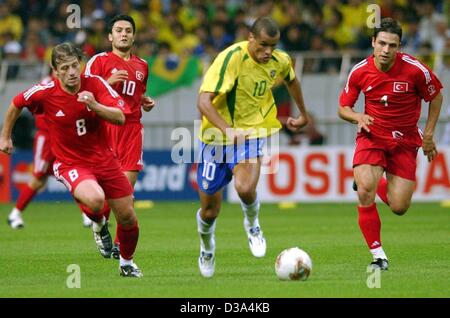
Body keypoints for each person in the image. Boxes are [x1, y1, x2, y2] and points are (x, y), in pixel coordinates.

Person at [0, 42, 143, 277]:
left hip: (104, 160)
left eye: (75, 66)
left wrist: (94, 105)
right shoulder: (45, 92)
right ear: (55, 71)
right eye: (65, 68)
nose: (72, 72)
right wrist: (5, 136)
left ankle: (126, 264)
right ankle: (98, 225)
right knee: (96, 200)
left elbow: (119, 117)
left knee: (128, 216)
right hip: (70, 163)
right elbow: (16, 103)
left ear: (81, 65)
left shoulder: (95, 84)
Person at [196, 17, 309, 278]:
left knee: (245, 187)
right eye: (263, 45)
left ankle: (253, 224)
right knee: (209, 210)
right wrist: (227, 130)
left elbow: (291, 78)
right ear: (250, 38)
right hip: (215, 138)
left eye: (273, 45)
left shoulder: (278, 60)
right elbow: (203, 101)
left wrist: (303, 113)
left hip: (251, 133)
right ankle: (206, 246)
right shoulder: (231, 58)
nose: (268, 51)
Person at [338, 18, 443, 270]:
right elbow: (343, 108)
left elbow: (436, 96)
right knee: (365, 191)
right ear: (373, 42)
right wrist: (357, 117)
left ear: (399, 46)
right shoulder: (360, 71)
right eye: (382, 43)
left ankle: (372, 182)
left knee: (399, 206)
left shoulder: (416, 70)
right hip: (372, 136)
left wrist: (427, 134)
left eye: (392, 45)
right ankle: (378, 256)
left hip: (405, 140)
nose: (386, 50)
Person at [84, 14, 155, 259]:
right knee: (103, 195)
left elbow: (137, 93)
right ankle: (99, 223)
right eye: (118, 30)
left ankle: (118, 246)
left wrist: (145, 102)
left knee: (125, 191)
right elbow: (83, 94)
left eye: (128, 30)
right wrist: (107, 81)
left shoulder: (142, 66)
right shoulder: (98, 61)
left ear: (134, 36)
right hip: (105, 128)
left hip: (132, 129)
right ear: (110, 36)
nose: (123, 34)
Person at [7, 72, 94, 229]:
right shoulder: (46, 85)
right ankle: (15, 213)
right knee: (39, 177)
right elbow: (23, 104)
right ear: (55, 68)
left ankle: (87, 215)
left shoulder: (75, 85)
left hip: (65, 140)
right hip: (46, 138)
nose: (69, 71)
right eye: (62, 66)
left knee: (75, 177)